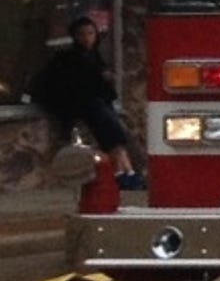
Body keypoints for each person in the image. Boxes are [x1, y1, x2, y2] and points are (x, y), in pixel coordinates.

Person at [29, 16, 140, 187]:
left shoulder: (94, 57)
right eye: (82, 34)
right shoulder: (69, 59)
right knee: (111, 133)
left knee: (113, 134)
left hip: (96, 105)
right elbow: (75, 87)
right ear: (75, 36)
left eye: (90, 33)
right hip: (81, 105)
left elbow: (101, 89)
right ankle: (125, 172)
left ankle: (124, 171)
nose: (87, 38)